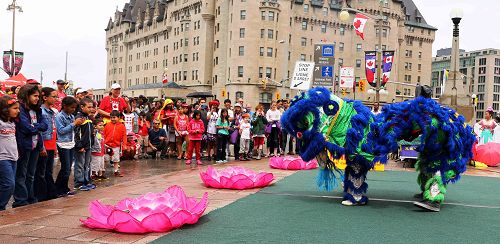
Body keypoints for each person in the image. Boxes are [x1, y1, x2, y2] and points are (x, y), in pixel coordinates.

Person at [13, 85, 48, 208]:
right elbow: (26, 128)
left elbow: (45, 126)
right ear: (26, 95)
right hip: (24, 146)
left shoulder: (37, 109)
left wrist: (35, 127)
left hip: (35, 146)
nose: (37, 99)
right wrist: (35, 127)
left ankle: (29, 197)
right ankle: (20, 200)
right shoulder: (20, 109)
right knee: (21, 174)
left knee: (31, 175)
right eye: (35, 96)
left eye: (38, 96)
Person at [55, 96, 83, 197]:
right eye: (71, 107)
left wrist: (77, 124)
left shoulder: (71, 116)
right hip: (63, 144)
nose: (73, 110)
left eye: (74, 108)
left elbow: (72, 130)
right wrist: (74, 124)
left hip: (71, 143)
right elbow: (61, 131)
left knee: (67, 168)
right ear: (64, 106)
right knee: (66, 168)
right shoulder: (59, 117)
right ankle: (59, 189)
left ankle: (63, 188)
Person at [35, 87, 58, 202]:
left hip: (51, 144)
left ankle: (50, 193)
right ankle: (41, 195)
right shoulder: (41, 111)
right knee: (41, 172)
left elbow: (53, 129)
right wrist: (41, 146)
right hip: (44, 145)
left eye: (56, 96)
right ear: (44, 98)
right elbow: (40, 131)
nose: (56, 99)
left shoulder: (52, 111)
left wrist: (54, 147)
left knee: (48, 171)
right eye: (53, 96)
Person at [0, 96, 20, 211]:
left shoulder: (12, 122)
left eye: (18, 108)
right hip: (2, 158)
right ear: (5, 109)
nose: (18, 111)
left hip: (13, 157)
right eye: (14, 108)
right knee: (9, 185)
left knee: (8, 185)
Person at [74, 98, 95, 191]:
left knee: (87, 164)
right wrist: (79, 145)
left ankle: (87, 181)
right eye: (89, 107)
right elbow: (76, 133)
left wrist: (92, 142)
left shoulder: (89, 117)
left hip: (88, 146)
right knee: (80, 164)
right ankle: (79, 183)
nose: (91, 109)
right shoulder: (79, 117)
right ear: (82, 107)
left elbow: (91, 132)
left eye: (92, 107)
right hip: (81, 146)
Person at [104, 110, 127, 177]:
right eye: (111, 117)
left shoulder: (122, 126)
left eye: (114, 117)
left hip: (116, 145)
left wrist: (124, 144)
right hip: (107, 145)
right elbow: (104, 134)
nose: (112, 119)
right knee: (105, 159)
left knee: (116, 159)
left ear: (119, 117)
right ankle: (102, 171)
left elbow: (124, 136)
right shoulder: (107, 125)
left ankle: (116, 171)